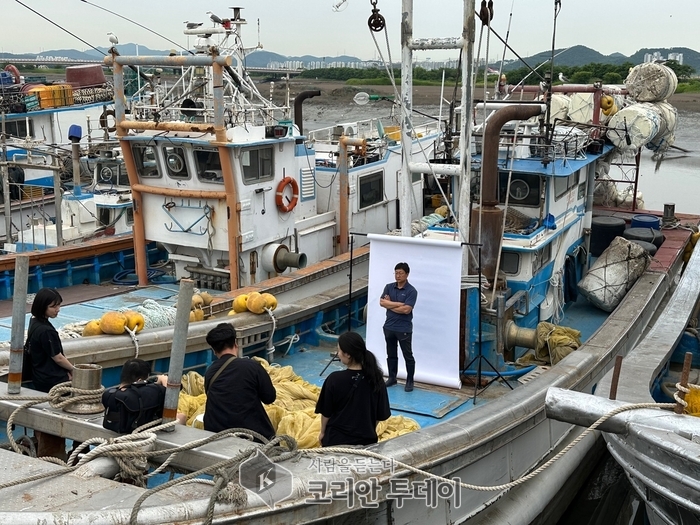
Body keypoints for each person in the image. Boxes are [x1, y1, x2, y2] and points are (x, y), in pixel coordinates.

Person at [203, 323, 277, 441]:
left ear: (214, 350)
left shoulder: (210, 373)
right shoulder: (252, 367)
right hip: (253, 437)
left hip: (217, 436)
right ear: (236, 343)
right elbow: (270, 398)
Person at [316, 331, 391, 447]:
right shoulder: (376, 379)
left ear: (348, 355)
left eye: (339, 350)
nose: (338, 354)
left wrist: (322, 432)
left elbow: (326, 413)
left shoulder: (334, 379)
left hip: (336, 441)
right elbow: (381, 415)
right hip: (366, 441)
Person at [24, 288, 75, 393]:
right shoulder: (46, 331)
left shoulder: (34, 320)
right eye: (53, 306)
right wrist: (73, 370)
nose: (58, 309)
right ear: (42, 307)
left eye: (58, 305)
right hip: (52, 379)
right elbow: (58, 358)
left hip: (39, 376)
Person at [101, 359, 169, 433]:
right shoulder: (148, 393)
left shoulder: (110, 394)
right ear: (139, 381)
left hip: (114, 426)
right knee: (181, 416)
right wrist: (164, 380)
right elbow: (170, 395)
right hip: (136, 431)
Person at [380, 262, 418, 392]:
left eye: (401, 273)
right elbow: (381, 302)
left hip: (404, 328)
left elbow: (406, 310)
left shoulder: (411, 291)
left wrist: (389, 304)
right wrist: (397, 304)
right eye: (396, 273)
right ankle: (392, 377)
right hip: (389, 326)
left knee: (407, 355)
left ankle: (410, 380)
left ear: (407, 274)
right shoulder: (389, 287)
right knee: (391, 353)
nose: (398, 275)